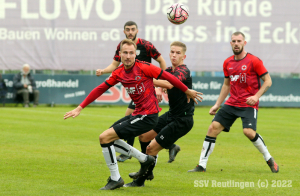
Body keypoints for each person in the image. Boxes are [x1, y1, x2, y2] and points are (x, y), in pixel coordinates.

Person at [64, 39, 202, 190]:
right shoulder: (119, 72)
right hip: (144, 114)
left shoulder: (147, 67)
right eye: (125, 53)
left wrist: (186, 90)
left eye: (131, 53)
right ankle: (143, 162)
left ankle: (119, 177)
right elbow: (100, 88)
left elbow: (170, 80)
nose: (128, 56)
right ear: (120, 55)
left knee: (106, 137)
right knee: (113, 139)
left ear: (135, 55)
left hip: (155, 115)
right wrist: (80, 107)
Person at [188, 31, 279, 173]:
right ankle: (201, 165)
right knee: (213, 128)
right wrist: (217, 104)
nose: (236, 44)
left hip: (248, 103)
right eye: (234, 41)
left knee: (248, 132)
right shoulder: (228, 62)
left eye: (239, 41)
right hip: (231, 103)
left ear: (244, 43)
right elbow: (226, 85)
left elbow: (268, 81)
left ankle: (269, 158)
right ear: (231, 43)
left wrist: (256, 97)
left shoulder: (254, 61)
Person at [124, 41, 202, 187]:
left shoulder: (184, 71)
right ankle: (150, 168)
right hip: (171, 114)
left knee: (151, 148)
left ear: (184, 56)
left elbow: (171, 83)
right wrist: (158, 87)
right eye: (172, 52)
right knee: (143, 136)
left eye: (178, 53)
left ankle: (140, 179)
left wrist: (148, 80)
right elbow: (163, 79)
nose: (174, 55)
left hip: (182, 120)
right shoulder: (169, 72)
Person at [96, 21, 169, 163]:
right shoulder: (121, 46)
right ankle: (168, 145)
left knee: (134, 119)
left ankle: (130, 152)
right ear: (124, 31)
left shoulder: (146, 45)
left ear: (137, 31)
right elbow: (115, 65)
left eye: (132, 29)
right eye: (127, 30)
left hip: (147, 87)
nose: (130, 32)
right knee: (137, 121)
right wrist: (104, 70)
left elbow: (161, 61)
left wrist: (159, 87)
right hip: (136, 88)